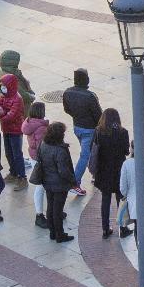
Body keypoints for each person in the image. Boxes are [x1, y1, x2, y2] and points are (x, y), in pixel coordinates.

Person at [63, 67, 102, 196]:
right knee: (85, 155)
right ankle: (75, 183)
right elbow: (98, 115)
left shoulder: (67, 92)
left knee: (90, 152)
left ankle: (96, 174)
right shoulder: (90, 96)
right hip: (89, 129)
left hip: (77, 127)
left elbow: (67, 109)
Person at [93, 108, 130, 238]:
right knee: (121, 200)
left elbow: (95, 149)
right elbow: (126, 151)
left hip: (103, 171)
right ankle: (123, 227)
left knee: (105, 200)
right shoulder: (123, 132)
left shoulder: (98, 132)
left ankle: (105, 229)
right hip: (118, 171)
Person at [38, 121, 77, 242]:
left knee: (50, 207)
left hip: (47, 181)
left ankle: (52, 232)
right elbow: (63, 171)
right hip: (59, 184)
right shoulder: (60, 150)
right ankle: (60, 234)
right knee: (58, 210)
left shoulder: (43, 144)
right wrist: (73, 181)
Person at [22, 101, 49, 227]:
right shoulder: (41, 127)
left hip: (33, 156)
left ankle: (49, 211)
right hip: (41, 159)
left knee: (43, 185)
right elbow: (42, 146)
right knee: (42, 186)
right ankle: (39, 215)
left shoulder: (28, 123)